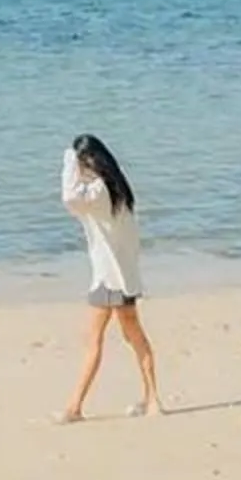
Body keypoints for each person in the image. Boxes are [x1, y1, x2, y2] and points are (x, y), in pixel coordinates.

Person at [57, 133, 162, 421]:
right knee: (135, 336)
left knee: (93, 341)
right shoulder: (120, 191)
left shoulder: (99, 192)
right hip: (125, 276)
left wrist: (68, 161)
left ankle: (74, 407)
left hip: (108, 278)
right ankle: (152, 401)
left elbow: (69, 197)